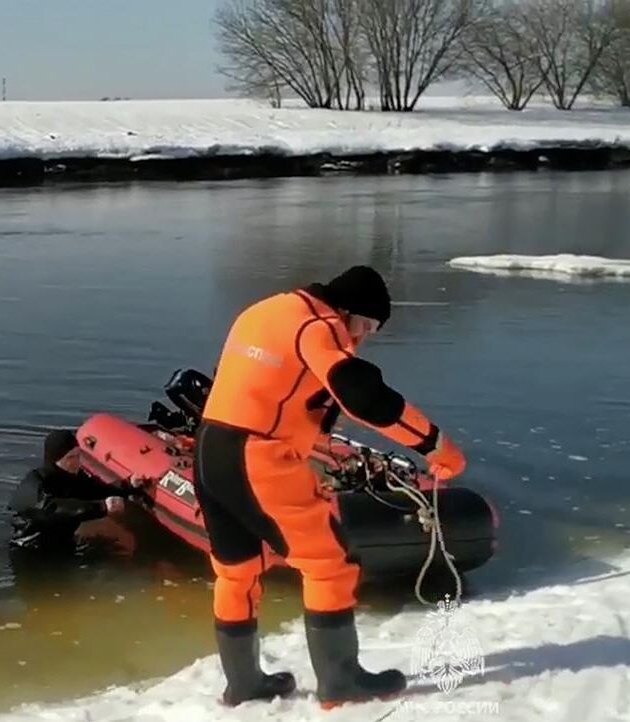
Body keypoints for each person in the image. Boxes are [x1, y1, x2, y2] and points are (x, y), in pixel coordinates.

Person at [194, 265, 466, 709]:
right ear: (349, 311)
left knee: (236, 571)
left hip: (210, 448)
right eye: (367, 327)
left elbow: (270, 381)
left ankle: (243, 684)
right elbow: (364, 397)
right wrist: (436, 445)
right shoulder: (319, 325)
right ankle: (341, 682)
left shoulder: (264, 311)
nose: (362, 338)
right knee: (331, 566)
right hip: (258, 457)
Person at [7, 429, 134, 552]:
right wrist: (100, 507)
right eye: (70, 457)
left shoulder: (75, 477)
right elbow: (51, 508)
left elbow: (99, 490)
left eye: (78, 456)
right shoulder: (35, 482)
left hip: (63, 545)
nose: (76, 462)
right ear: (56, 459)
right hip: (30, 550)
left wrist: (129, 486)